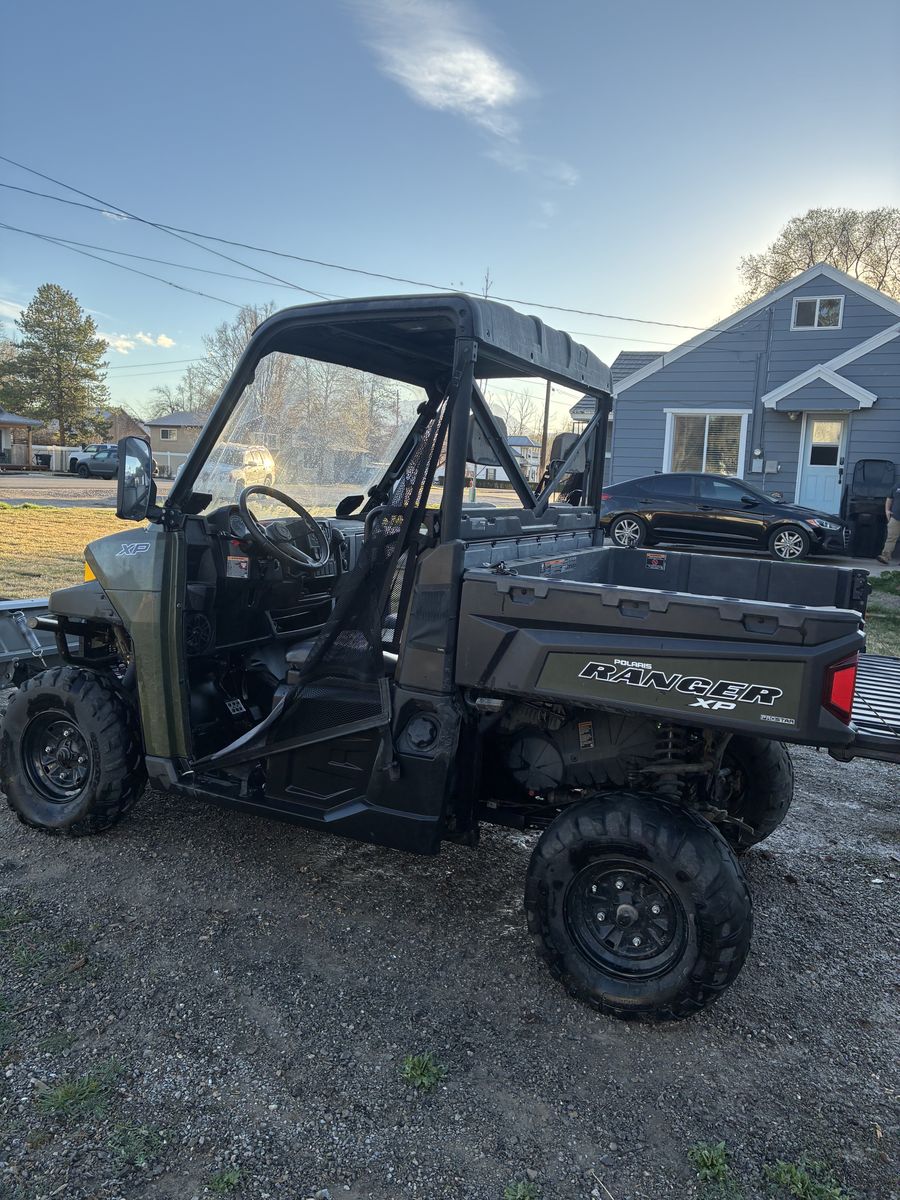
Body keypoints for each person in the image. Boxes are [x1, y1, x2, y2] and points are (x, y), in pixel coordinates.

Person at [876, 478, 900, 564]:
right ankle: (885, 556)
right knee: (891, 538)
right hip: (896, 516)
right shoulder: (897, 485)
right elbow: (889, 498)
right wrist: (887, 510)